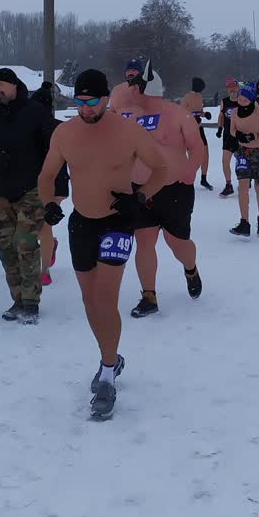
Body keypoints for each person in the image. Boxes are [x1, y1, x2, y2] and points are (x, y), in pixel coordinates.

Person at [39, 69, 173, 420]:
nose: (85, 108)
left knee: (105, 298)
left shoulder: (128, 130)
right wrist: (49, 203)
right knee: (89, 300)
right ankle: (109, 356)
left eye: (92, 101)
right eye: (79, 102)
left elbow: (162, 169)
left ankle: (108, 373)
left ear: (105, 100)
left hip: (118, 220)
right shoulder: (65, 133)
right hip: (81, 222)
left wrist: (140, 196)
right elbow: (46, 175)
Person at [116, 66, 207, 317]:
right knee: (144, 241)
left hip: (174, 189)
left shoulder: (178, 114)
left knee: (176, 243)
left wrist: (191, 170)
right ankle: (149, 296)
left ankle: (190, 268)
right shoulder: (126, 114)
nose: (130, 90)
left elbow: (197, 147)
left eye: (135, 86)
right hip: (141, 190)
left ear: (147, 89)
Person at [0, 68, 55, 323]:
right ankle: (17, 299)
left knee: (25, 244)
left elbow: (54, 149)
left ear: (14, 86)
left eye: (0, 85)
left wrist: (55, 186)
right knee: (6, 250)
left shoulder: (34, 113)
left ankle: (31, 303)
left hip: (31, 189)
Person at [32, 80, 69, 284]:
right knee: (43, 226)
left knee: (43, 226)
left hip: (53, 182)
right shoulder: (59, 127)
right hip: (54, 182)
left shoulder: (59, 128)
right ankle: (47, 256)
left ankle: (44, 270)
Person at [226, 81, 259, 237]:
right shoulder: (234, 112)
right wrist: (238, 135)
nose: (242, 101)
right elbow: (232, 130)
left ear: (251, 100)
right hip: (242, 152)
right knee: (243, 185)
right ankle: (244, 222)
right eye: (240, 99)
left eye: (245, 100)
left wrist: (255, 135)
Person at [179, 76, 214, 190]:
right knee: (192, 155)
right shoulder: (187, 96)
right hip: (189, 129)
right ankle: (187, 179)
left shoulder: (199, 96)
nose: (201, 90)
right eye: (201, 88)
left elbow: (199, 111)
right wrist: (192, 118)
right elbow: (181, 113)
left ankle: (204, 179)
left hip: (199, 128)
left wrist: (205, 114)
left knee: (205, 153)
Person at [215, 78, 242, 197]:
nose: (231, 89)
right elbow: (221, 116)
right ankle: (228, 185)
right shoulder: (224, 101)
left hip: (241, 135)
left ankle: (245, 181)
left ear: (237, 87)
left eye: (233, 86)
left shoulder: (243, 100)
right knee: (225, 161)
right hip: (228, 135)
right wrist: (219, 129)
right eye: (229, 87)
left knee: (242, 161)